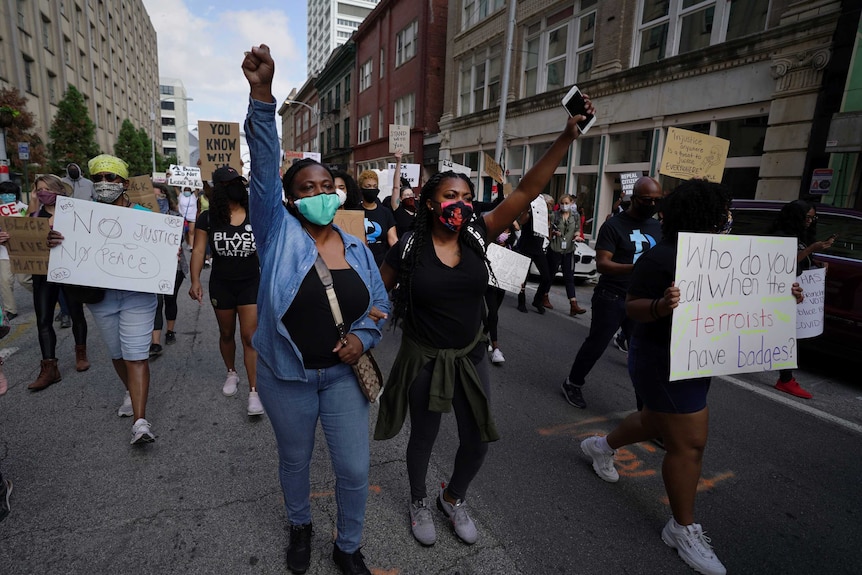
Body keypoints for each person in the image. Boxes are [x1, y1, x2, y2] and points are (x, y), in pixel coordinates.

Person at [374, 100, 592, 547]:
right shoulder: (409, 248)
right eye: (451, 197)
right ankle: (418, 500)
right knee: (425, 437)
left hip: (470, 354)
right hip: (424, 357)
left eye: (467, 198)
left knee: (478, 439)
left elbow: (527, 190)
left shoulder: (478, 233)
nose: (461, 204)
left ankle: (452, 498)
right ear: (431, 203)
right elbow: (376, 296)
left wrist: (566, 137)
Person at [578, 179, 806, 575]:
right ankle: (681, 529)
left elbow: (747, 295)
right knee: (690, 444)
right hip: (661, 361)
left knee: (654, 420)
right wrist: (660, 306)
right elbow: (631, 308)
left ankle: (601, 446)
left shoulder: (726, 256)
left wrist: (784, 294)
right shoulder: (662, 256)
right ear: (708, 217)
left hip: (696, 358)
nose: (727, 219)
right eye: (722, 213)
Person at [243, 44, 389, 575]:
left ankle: (348, 546)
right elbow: (262, 168)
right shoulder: (276, 232)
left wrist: (364, 340)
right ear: (289, 198)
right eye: (308, 188)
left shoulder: (356, 245)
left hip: (344, 377)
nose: (321, 193)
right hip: (288, 376)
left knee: (354, 467)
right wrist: (263, 96)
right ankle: (300, 525)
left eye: (328, 186)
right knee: (295, 461)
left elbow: (380, 304)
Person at [47, 154, 159, 444]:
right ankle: (131, 391)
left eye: (111, 177)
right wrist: (55, 241)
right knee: (118, 354)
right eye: (97, 178)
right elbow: (65, 251)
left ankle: (140, 422)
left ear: (124, 182)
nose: (103, 183)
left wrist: (165, 254)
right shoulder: (78, 217)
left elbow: (159, 254)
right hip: (101, 298)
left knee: (136, 355)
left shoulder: (146, 217)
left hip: (138, 296)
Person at [561, 176, 663, 409]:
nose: (653, 205)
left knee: (643, 353)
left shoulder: (657, 227)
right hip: (613, 295)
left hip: (643, 298)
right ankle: (573, 383)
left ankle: (645, 412)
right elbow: (603, 264)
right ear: (634, 198)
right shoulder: (613, 226)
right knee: (597, 343)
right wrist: (637, 268)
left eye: (658, 200)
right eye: (648, 200)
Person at [189, 166, 264, 416]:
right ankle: (231, 372)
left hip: (251, 282)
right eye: (230, 183)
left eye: (238, 182)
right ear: (219, 188)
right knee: (226, 332)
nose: (236, 187)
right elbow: (199, 250)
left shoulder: (256, 213)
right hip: (222, 283)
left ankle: (254, 391)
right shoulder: (208, 218)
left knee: (250, 336)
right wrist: (195, 280)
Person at [21, 175, 90, 391]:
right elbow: (21, 238)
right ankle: (49, 367)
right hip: (42, 275)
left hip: (69, 272)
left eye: (47, 188)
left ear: (59, 190)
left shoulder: (73, 213)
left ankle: (81, 352)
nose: (43, 192)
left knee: (76, 313)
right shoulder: (33, 216)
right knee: (43, 319)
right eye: (39, 189)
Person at [767, 200, 834, 399]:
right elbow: (781, 264)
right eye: (807, 217)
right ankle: (786, 379)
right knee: (785, 335)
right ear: (795, 217)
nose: (810, 221)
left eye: (813, 218)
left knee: (788, 335)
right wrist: (810, 250)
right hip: (778, 293)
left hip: (794, 293)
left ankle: (786, 378)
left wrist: (817, 263)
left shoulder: (800, 237)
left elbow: (801, 261)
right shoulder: (780, 237)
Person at [150, 183, 188, 356]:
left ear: (166, 196)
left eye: (159, 196)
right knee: (156, 303)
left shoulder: (174, 216)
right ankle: (155, 342)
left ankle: (170, 331)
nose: (156, 200)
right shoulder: (141, 216)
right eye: (153, 197)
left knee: (170, 299)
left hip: (174, 266)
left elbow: (179, 239)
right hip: (150, 267)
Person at [539, 193, 587, 316]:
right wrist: (553, 233)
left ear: (571, 203)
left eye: (567, 203)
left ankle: (573, 304)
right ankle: (544, 296)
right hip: (555, 248)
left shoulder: (575, 216)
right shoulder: (554, 215)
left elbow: (577, 230)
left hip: (569, 250)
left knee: (569, 276)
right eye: (562, 203)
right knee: (550, 274)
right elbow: (546, 229)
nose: (564, 206)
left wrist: (577, 237)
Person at [357, 169, 397, 265]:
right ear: (361, 188)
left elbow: (393, 239)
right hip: (360, 262)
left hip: (381, 263)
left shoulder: (385, 213)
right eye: (368, 186)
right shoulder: (355, 212)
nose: (372, 189)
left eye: (375, 186)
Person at [0, 181, 27, 320]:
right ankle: (10, 309)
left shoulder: (24, 209)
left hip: (21, 251)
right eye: (4, 194)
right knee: (5, 281)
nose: (7, 196)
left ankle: (49, 297)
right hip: (3, 253)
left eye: (10, 194)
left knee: (25, 280)